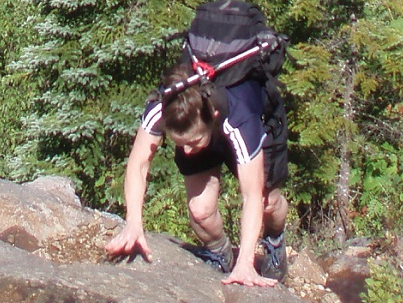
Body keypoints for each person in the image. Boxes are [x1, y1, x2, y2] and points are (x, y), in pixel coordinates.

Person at [105, 58, 289, 285]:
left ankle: (274, 239)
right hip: (205, 127)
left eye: (192, 142)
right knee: (200, 211)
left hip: (253, 122)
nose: (187, 151)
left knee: (268, 201)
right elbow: (138, 163)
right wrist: (133, 223)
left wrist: (246, 263)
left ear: (213, 117)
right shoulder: (163, 106)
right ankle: (220, 254)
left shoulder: (240, 119)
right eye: (180, 143)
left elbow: (251, 195)